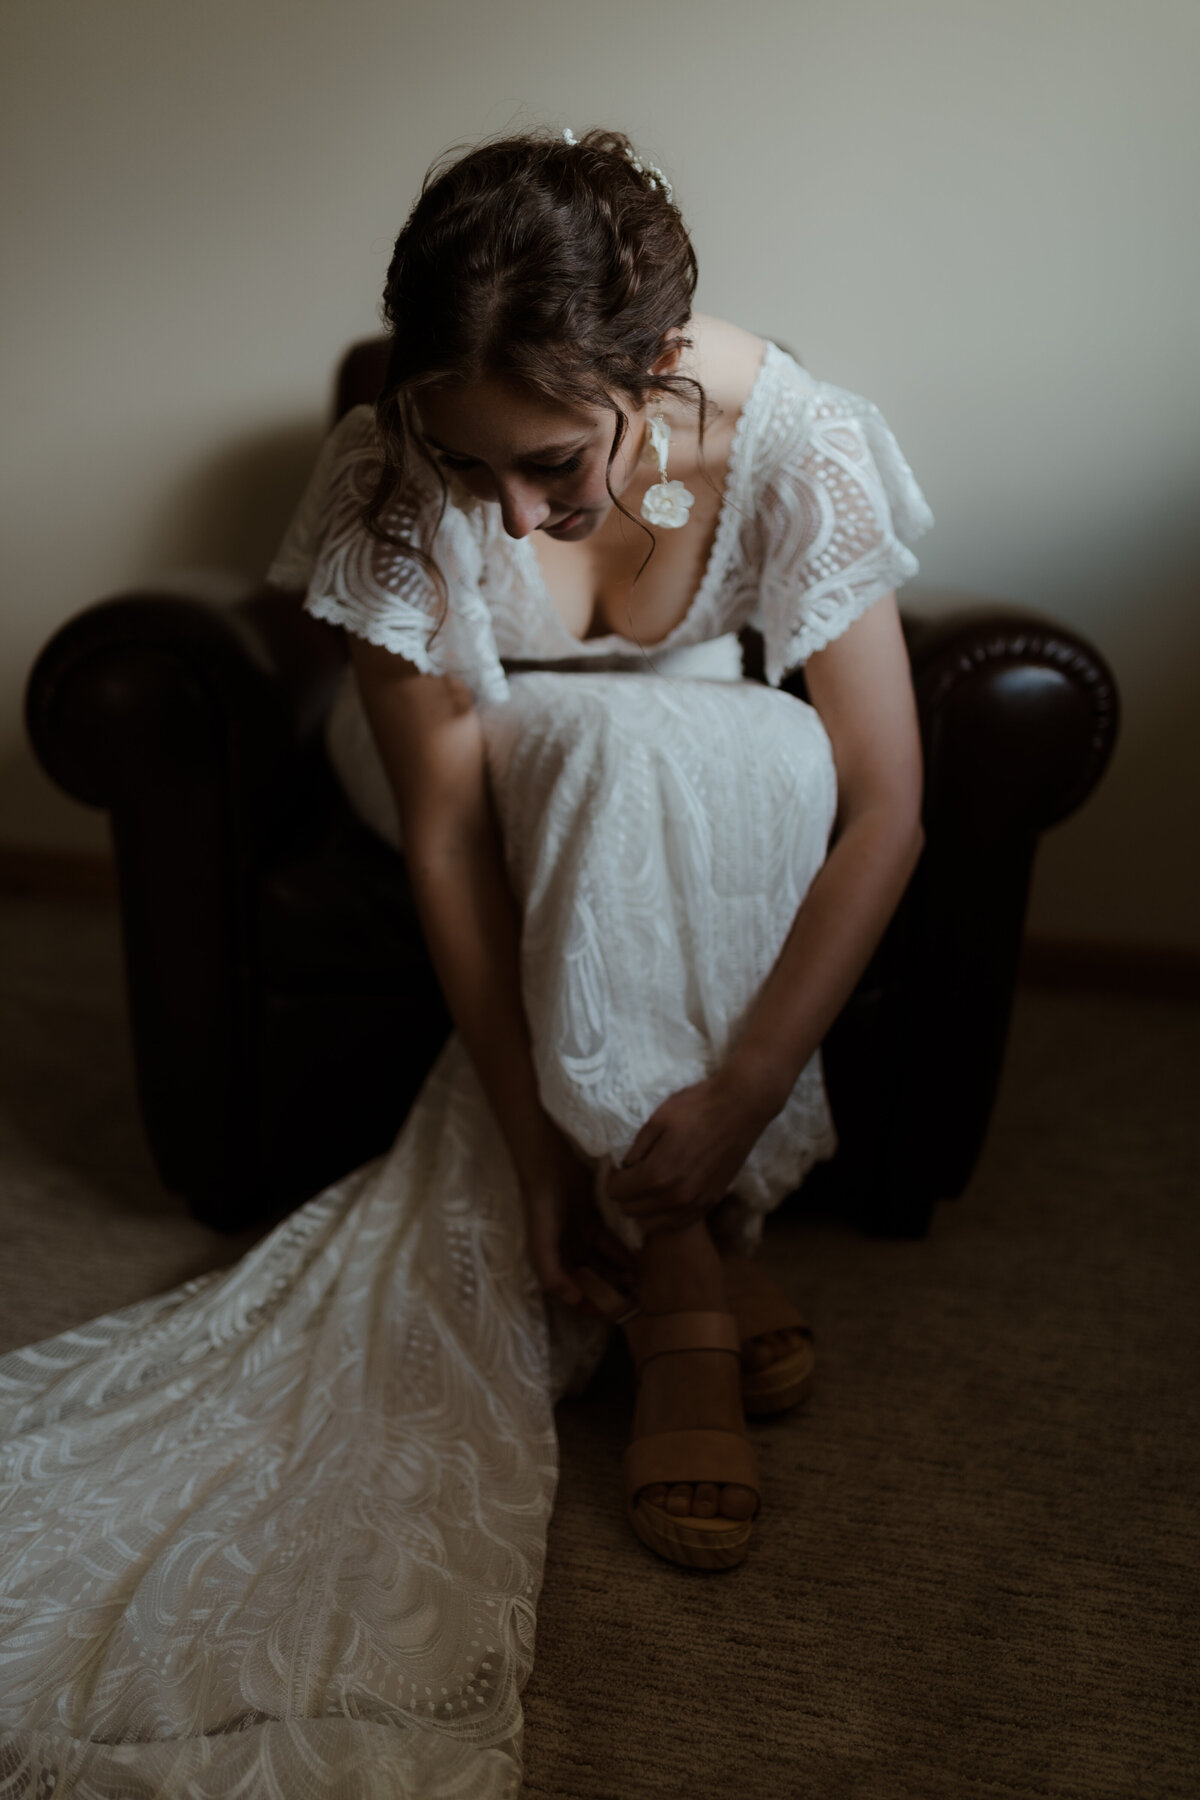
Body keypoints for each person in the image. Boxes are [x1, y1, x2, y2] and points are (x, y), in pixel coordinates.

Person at [0, 128, 931, 1797]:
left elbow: (886, 803)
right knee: (597, 750)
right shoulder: (386, 468)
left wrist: (742, 1090)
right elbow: (440, 831)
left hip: (676, 789)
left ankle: (685, 1217)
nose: (506, 510)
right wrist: (527, 1150)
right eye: (465, 458)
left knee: (736, 753)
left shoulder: (799, 439)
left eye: (557, 466)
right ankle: (689, 1274)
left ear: (651, 373)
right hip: (461, 762)